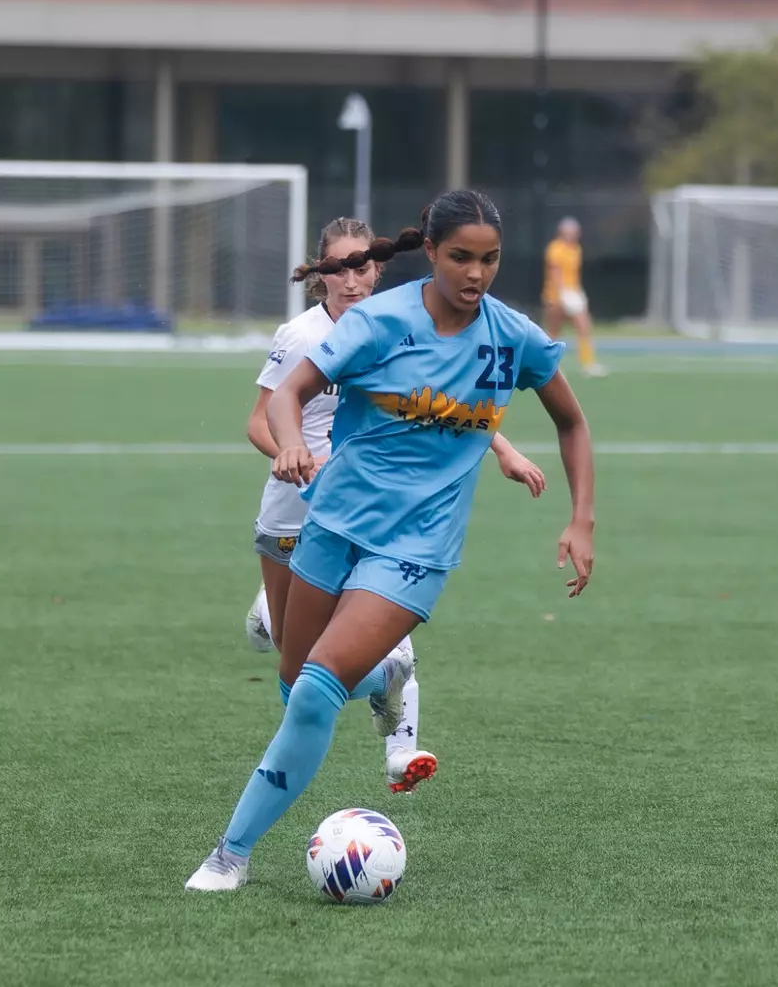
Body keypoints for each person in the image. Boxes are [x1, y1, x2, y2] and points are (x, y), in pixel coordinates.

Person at [186, 188, 596, 893]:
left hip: (416, 549)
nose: (476, 273)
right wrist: (287, 444)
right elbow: (287, 395)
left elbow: (571, 422)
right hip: (334, 525)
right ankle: (384, 679)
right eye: (461, 257)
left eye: (490, 260)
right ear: (430, 253)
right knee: (294, 689)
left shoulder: (512, 337)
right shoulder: (379, 322)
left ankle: (230, 854)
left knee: (314, 692)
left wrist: (581, 517)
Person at [241, 216, 547, 795]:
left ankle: (400, 749)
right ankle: (269, 616)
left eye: (363, 265)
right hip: (293, 513)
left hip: (367, 507)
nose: (353, 280)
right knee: (294, 661)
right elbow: (261, 420)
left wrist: (502, 447)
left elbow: (441, 410)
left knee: (385, 626)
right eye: (340, 268)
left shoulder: (391, 328)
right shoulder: (302, 337)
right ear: (321, 276)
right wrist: (295, 452)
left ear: (378, 266)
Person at [542, 216, 606, 377]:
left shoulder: (576, 249)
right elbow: (555, 273)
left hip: (573, 292)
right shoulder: (555, 248)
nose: (573, 234)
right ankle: (547, 364)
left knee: (584, 326)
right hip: (555, 295)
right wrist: (562, 295)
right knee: (553, 331)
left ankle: (588, 363)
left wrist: (577, 293)